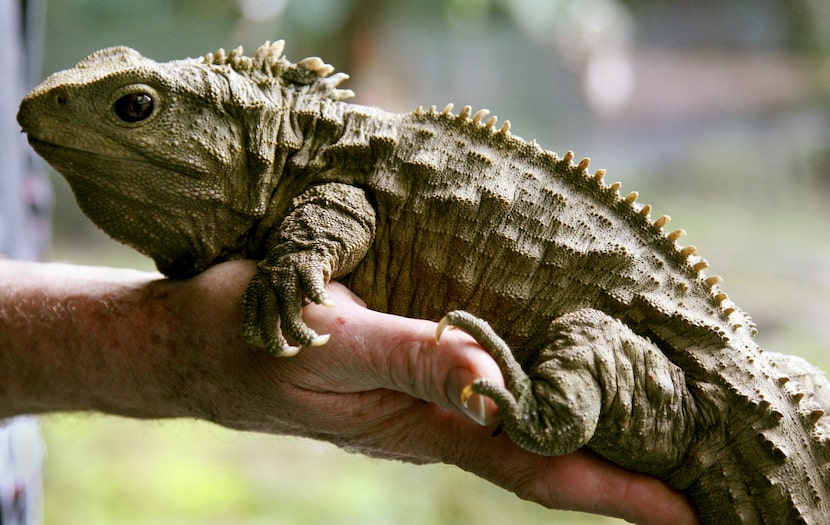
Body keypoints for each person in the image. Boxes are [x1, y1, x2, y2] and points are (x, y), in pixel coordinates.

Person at [0, 3, 696, 524]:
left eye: (135, 108)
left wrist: (289, 270)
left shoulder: (325, 179)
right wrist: (177, 349)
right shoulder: (303, 171)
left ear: (223, 132)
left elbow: (345, 211)